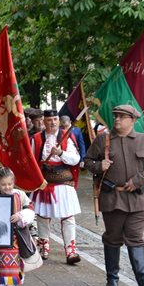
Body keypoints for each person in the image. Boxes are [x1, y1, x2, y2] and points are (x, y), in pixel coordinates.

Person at [84, 104, 144, 286]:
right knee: (113, 238)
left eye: (121, 117)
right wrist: (98, 165)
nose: (117, 119)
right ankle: (112, 278)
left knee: (136, 238)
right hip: (112, 198)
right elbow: (87, 161)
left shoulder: (143, 140)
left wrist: (138, 181)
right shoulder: (103, 140)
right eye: (115, 116)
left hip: (136, 200)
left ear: (133, 120)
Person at [30, 109, 82, 264]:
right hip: (45, 183)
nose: (52, 122)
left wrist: (61, 153)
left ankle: (71, 250)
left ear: (58, 120)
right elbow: (32, 161)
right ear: (43, 122)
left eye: (55, 119)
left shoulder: (68, 136)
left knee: (68, 218)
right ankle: (43, 245)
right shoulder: (36, 138)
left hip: (63, 183)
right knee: (42, 217)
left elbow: (75, 160)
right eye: (49, 120)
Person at [0, 167, 36, 286]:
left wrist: (20, 215)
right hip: (1, 235)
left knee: (16, 260)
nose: (7, 187)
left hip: (17, 233)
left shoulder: (19, 195)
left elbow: (30, 208)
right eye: (3, 184)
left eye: (9, 184)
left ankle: (13, 284)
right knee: (4, 260)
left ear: (14, 182)